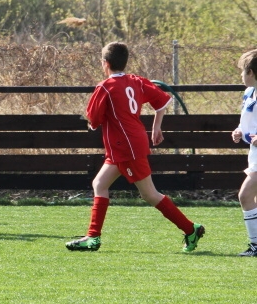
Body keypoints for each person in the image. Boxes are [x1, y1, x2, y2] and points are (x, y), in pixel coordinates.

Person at [66, 42, 205, 252]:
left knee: (149, 194)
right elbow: (163, 101)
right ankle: (93, 237)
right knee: (99, 184)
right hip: (127, 143)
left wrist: (92, 120)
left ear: (105, 64)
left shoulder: (105, 86)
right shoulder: (136, 81)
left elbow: (93, 120)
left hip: (125, 145)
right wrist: (156, 128)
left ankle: (190, 229)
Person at [231, 49, 257, 256]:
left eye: (243, 70)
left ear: (252, 72)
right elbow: (247, 120)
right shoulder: (249, 93)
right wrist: (240, 131)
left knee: (245, 195)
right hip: (253, 154)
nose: (241, 75)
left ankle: (255, 246)